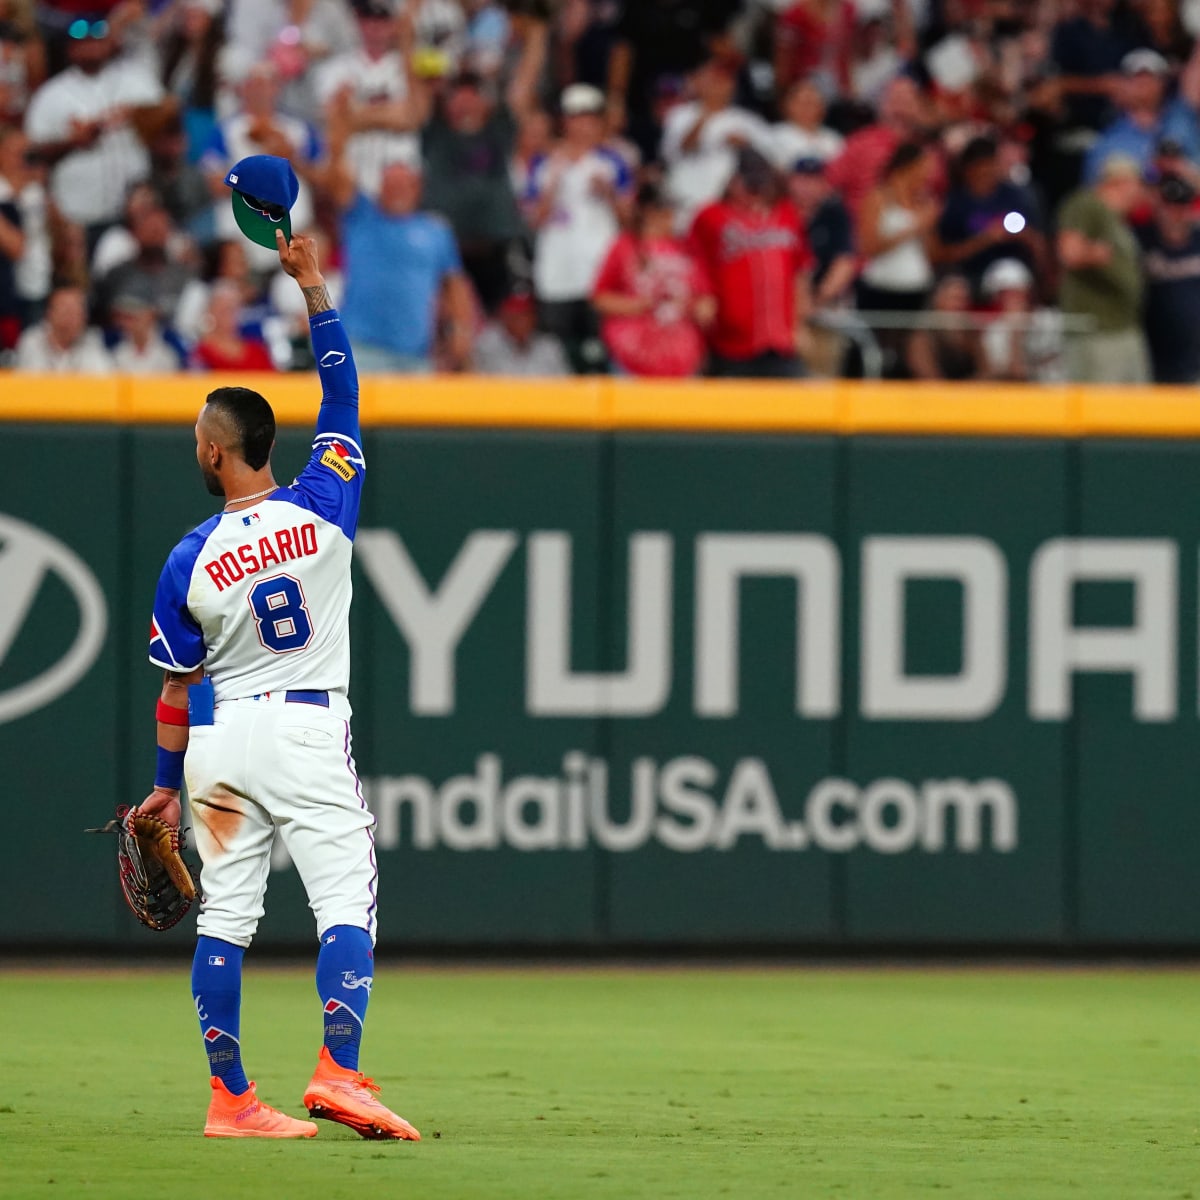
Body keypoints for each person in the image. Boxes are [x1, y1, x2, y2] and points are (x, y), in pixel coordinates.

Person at [137, 229, 419, 1142]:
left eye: (199, 439)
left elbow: (176, 691)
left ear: (221, 454)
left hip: (221, 745)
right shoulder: (325, 499)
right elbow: (342, 393)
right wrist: (314, 289)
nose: (197, 446)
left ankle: (231, 1101)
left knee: (227, 917)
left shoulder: (190, 557)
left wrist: (160, 786)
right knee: (345, 901)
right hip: (303, 732)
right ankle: (338, 1071)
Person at [23, 13, 174, 242]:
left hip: (136, 212)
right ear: (71, 48)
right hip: (79, 215)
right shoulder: (51, 95)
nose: (91, 46)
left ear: (109, 42)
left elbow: (172, 113)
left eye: (97, 39)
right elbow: (31, 154)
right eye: (84, 41)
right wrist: (73, 141)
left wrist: (137, 114)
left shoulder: (135, 79)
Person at [327, 138, 473, 373]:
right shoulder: (361, 217)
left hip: (415, 355)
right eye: (390, 184)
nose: (397, 191)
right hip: (361, 349)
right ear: (380, 187)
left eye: (404, 184)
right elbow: (336, 178)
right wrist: (341, 130)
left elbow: (455, 284)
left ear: (417, 187)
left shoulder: (435, 231)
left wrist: (461, 330)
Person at [525, 82, 633, 370]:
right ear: (565, 121)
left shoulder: (613, 161)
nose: (584, 126)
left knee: (602, 348)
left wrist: (610, 193)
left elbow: (629, 220)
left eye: (591, 118)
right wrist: (552, 187)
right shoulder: (544, 161)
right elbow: (534, 219)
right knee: (558, 350)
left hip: (599, 272)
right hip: (557, 273)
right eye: (577, 118)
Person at [689, 146, 813, 378]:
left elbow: (800, 271)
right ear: (731, 181)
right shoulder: (710, 216)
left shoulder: (787, 214)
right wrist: (702, 295)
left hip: (780, 339)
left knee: (792, 408)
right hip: (729, 340)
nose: (754, 190)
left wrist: (800, 323)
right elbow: (694, 262)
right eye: (748, 182)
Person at [592, 182, 714, 377]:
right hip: (632, 357)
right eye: (666, 211)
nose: (672, 217)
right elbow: (600, 298)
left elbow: (707, 302)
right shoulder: (625, 246)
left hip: (681, 357)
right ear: (649, 212)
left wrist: (695, 307)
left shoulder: (687, 248)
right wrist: (639, 305)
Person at [314, 0, 421, 201]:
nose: (374, 26)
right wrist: (390, 113)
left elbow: (412, 116)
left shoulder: (407, 69)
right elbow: (333, 122)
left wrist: (355, 112)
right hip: (353, 179)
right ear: (356, 22)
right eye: (367, 19)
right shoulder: (334, 69)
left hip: (398, 179)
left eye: (381, 20)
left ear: (393, 25)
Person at [1057, 152, 1148, 383]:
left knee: (1137, 411)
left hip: (1122, 326)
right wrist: (1095, 254)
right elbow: (1069, 252)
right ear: (1120, 182)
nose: (1140, 191)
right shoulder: (1087, 204)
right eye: (1137, 183)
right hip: (1097, 331)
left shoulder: (1116, 218)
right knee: (1103, 410)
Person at [660, 52, 773, 231]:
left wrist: (745, 145)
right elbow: (674, 153)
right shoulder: (680, 115)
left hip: (726, 207)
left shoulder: (747, 121)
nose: (717, 87)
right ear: (700, 82)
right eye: (712, 80)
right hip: (684, 203)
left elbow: (770, 162)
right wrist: (706, 114)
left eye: (723, 81)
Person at [935, 134, 1046, 292]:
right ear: (968, 169)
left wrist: (1023, 235)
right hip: (969, 277)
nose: (986, 173)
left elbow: (1038, 243)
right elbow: (943, 254)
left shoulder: (1015, 197)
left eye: (990, 166)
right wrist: (986, 238)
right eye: (980, 167)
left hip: (1012, 274)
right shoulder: (955, 203)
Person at [1083, 49, 1200, 183]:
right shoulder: (1109, 142)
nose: (1144, 84)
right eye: (1136, 78)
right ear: (1123, 84)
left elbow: (1194, 77)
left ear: (1163, 83)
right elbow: (1096, 196)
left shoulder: (1181, 120)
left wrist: (1183, 169)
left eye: (1151, 77)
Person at [1137, 173, 1200, 383]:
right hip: (1153, 353)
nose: (1175, 214)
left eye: (1181, 206)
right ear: (1158, 207)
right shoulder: (1141, 240)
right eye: (1169, 206)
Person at [14, 282, 113, 370]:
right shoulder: (31, 340)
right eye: (65, 310)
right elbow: (24, 384)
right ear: (49, 313)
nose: (70, 317)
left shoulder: (93, 341)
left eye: (75, 310)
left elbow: (102, 381)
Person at [906, 274, 987, 381]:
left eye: (964, 299)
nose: (960, 305)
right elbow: (928, 377)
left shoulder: (971, 335)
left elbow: (986, 372)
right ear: (938, 300)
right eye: (955, 298)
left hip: (971, 395)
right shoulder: (922, 338)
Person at [473, 290, 570, 376]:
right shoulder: (486, 345)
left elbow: (567, 387)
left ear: (534, 317)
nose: (521, 320)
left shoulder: (549, 347)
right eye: (515, 314)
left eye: (526, 314)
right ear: (503, 315)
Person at [192, 279, 276, 372]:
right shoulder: (201, 352)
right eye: (223, 309)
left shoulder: (257, 351)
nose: (228, 315)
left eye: (233, 309)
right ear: (210, 311)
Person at [768, 79, 844, 173]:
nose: (807, 108)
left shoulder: (833, 138)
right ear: (787, 106)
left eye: (813, 103)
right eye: (802, 103)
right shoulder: (775, 134)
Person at [110, 288, 183, 372]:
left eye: (131, 316)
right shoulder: (115, 344)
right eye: (121, 317)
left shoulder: (172, 343)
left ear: (150, 314)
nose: (125, 323)